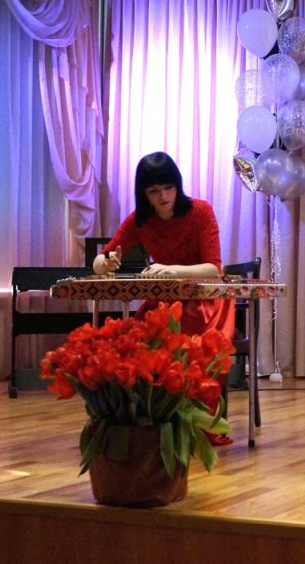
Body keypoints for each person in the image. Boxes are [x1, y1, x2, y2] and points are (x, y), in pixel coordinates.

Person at [93, 151, 235, 442]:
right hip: (167, 300)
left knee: (189, 337)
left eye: (169, 188)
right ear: (144, 194)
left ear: (177, 185)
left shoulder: (200, 211)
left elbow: (214, 269)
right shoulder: (139, 221)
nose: (163, 196)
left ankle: (193, 424)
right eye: (154, 191)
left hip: (206, 300)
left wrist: (172, 270)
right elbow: (101, 259)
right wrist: (105, 263)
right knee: (136, 338)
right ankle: (153, 421)